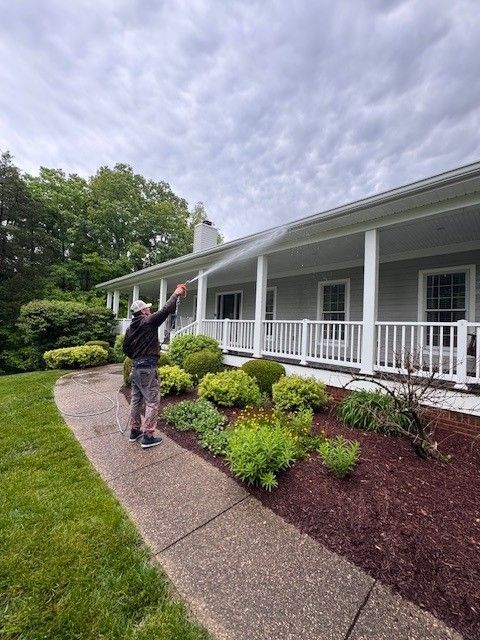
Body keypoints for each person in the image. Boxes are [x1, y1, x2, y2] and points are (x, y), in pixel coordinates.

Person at [123, 284, 187, 448]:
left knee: (136, 400)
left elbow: (126, 350)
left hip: (135, 369)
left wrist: (137, 359)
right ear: (143, 312)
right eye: (147, 309)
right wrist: (175, 294)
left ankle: (134, 431)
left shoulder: (130, 329)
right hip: (147, 369)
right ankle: (148, 437)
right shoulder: (147, 322)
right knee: (152, 402)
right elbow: (164, 311)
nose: (149, 311)